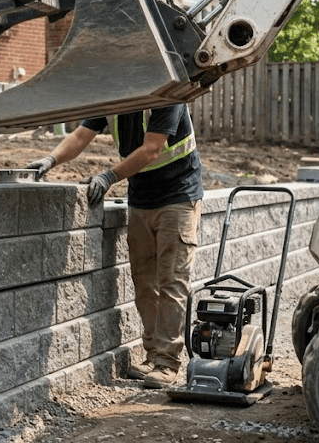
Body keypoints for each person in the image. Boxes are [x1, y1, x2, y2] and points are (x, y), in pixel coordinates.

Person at [24, 105, 203, 389]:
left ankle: (167, 363)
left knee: (172, 282)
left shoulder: (167, 92)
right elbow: (82, 135)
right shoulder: (116, 94)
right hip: (141, 198)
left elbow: (152, 149)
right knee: (145, 283)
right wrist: (50, 159)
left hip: (178, 196)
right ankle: (153, 356)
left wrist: (108, 177)